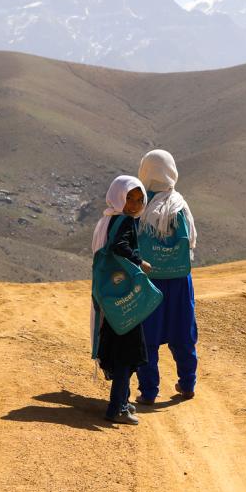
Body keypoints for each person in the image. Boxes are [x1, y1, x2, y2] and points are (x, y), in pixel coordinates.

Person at [135, 149, 199, 404]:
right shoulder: (179, 205)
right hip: (179, 280)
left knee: (146, 336)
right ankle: (187, 384)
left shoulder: (138, 204)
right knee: (182, 332)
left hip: (147, 279)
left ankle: (149, 391)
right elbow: (191, 241)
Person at [90, 174, 152, 424]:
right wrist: (140, 262)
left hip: (108, 295)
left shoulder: (107, 220)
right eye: (129, 198)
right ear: (118, 197)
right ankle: (116, 408)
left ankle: (122, 400)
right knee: (127, 353)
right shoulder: (124, 222)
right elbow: (119, 247)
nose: (135, 205)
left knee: (118, 349)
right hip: (124, 297)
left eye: (139, 200)